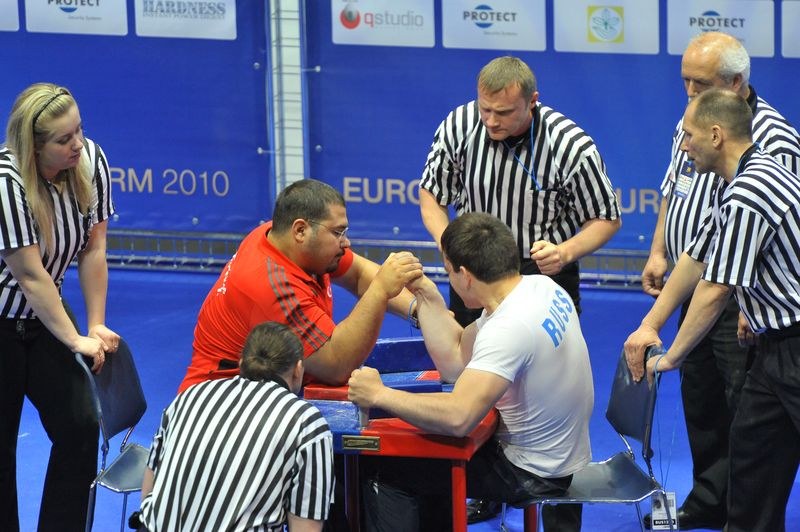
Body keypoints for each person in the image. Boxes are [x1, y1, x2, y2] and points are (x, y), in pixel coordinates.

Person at [418, 54, 619, 522]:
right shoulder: (459, 126)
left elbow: (607, 217)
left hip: (543, 269)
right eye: (484, 109)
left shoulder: (571, 146)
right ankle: (483, 483)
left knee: (543, 386)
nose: (491, 121)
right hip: (474, 266)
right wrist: (451, 250)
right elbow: (430, 193)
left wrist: (566, 251)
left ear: (533, 101)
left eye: (504, 114)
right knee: (475, 375)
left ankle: (557, 500)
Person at [636, 31, 800, 530]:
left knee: (752, 447)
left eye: (688, 137)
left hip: (788, 338)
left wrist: (671, 355)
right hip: (772, 335)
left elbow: (717, 284)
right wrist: (651, 323)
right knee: (751, 455)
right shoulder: (735, 180)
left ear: (714, 135)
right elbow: (698, 253)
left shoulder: (754, 182)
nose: (681, 146)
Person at [348, 212, 594, 532]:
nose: (449, 278)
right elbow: (456, 360)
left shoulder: (509, 327)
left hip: (532, 473)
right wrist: (425, 293)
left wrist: (378, 393)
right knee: (427, 455)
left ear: (465, 275)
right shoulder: (537, 287)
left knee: (384, 466)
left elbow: (458, 419)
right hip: (557, 456)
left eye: (448, 271)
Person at [0, 83, 119, 531]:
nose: (77, 144)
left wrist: (95, 326)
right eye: (63, 139)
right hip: (3, 318)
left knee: (80, 426)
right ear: (34, 146)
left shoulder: (90, 160)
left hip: (43, 315)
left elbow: (94, 250)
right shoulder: (6, 184)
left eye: (79, 131)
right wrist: (75, 340)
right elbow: (30, 276)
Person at [178, 178, 423, 393]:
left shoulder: (284, 239)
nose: (346, 242)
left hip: (263, 393)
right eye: (338, 233)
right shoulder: (272, 287)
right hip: (222, 409)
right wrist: (380, 291)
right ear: (300, 230)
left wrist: (417, 311)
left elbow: (358, 273)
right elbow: (337, 364)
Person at [137, 321, 335, 531]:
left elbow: (149, 493)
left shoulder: (189, 395)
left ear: (241, 363)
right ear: (298, 370)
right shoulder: (308, 424)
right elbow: (305, 528)